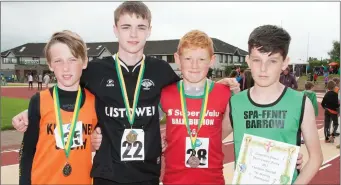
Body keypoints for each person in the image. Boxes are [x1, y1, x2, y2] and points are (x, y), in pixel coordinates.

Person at [11, 2, 240, 185]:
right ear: (115, 29)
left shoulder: (160, 70)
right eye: (126, 27)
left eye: (140, 27)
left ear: (149, 30)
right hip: (107, 173)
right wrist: (30, 111)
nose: (133, 34)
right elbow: (66, 90)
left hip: (147, 173)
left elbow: (191, 86)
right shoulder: (96, 70)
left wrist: (220, 84)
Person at [91, 29, 305, 184]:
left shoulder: (225, 94)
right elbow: (133, 113)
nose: (194, 65)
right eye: (188, 59)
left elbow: (248, 126)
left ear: (211, 61)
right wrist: (100, 132)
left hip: (212, 180)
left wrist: (283, 156)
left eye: (201, 59)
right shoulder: (166, 92)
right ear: (177, 59)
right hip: (173, 179)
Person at [229, 25, 323, 184]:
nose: (263, 69)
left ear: (285, 62)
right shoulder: (234, 102)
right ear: (248, 61)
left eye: (272, 61)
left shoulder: (301, 103)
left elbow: (316, 158)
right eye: (257, 60)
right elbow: (211, 136)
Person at [19, 30, 97, 185]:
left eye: (73, 60)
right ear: (50, 65)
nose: (66, 68)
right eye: (58, 61)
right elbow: (27, 152)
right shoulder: (38, 101)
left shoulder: (95, 101)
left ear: (85, 62)